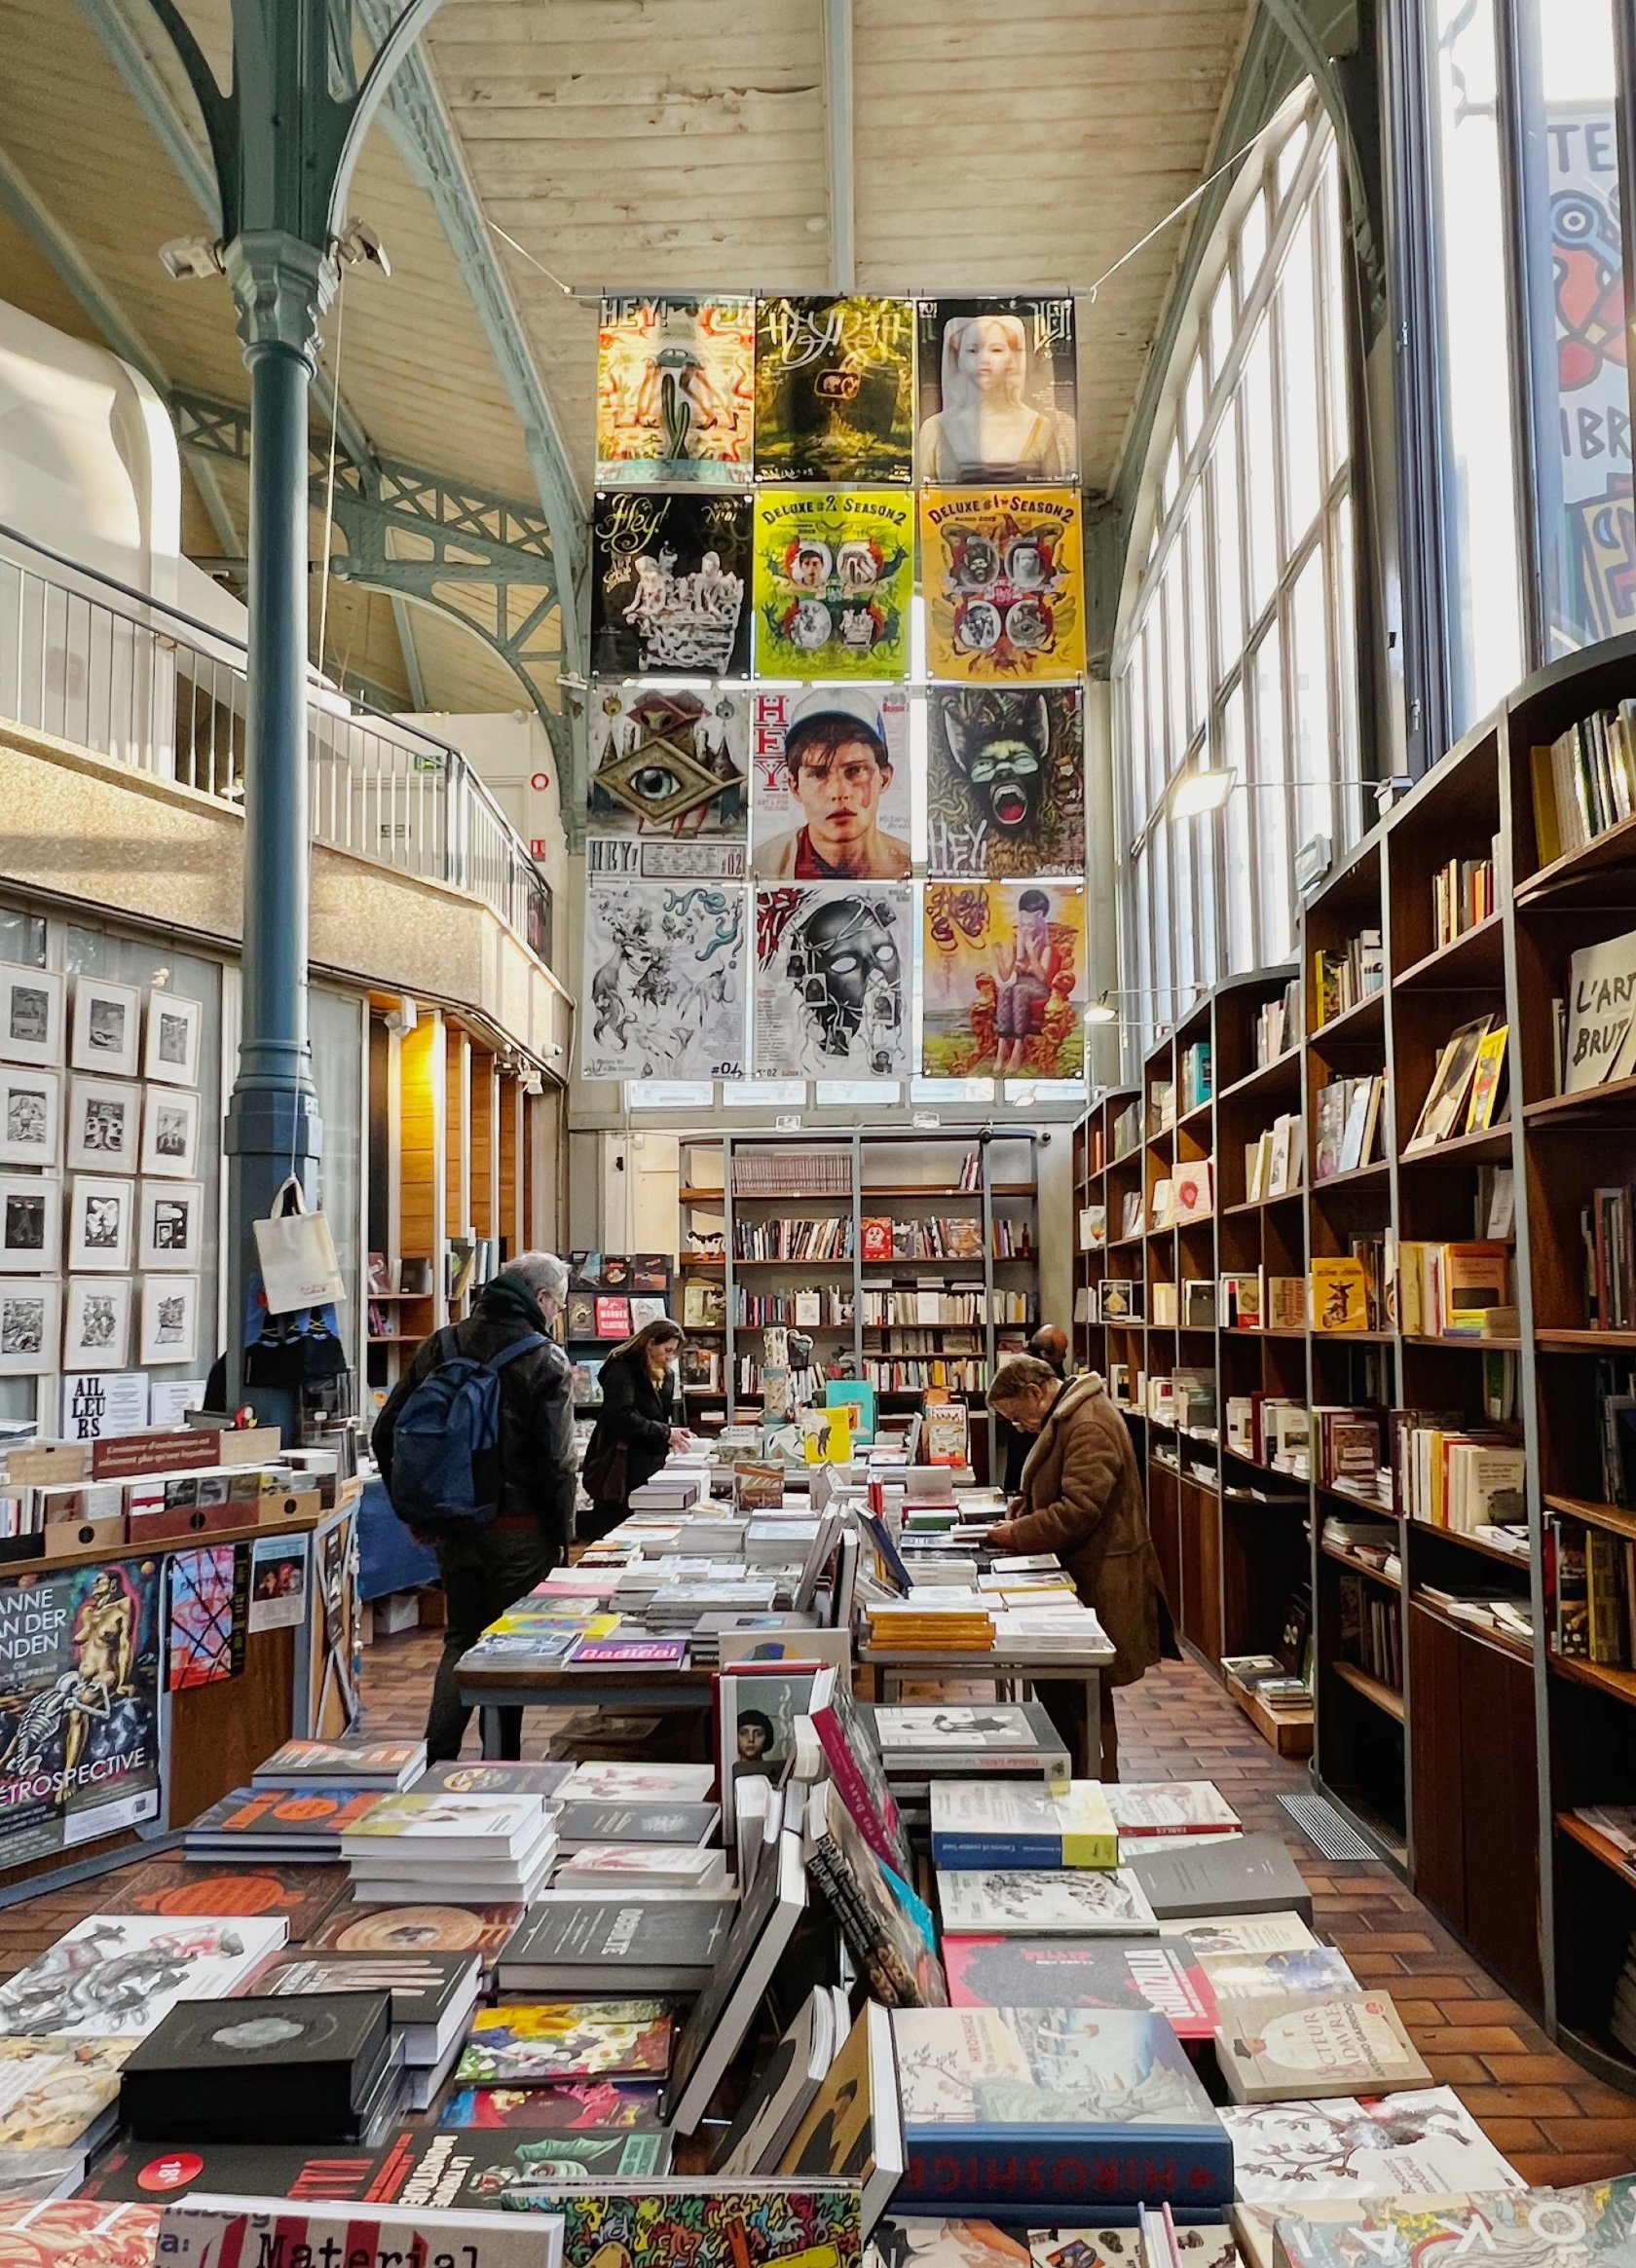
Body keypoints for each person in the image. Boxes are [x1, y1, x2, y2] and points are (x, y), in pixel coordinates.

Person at [372, 1251, 576, 1764]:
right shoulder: (546, 1359)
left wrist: (415, 1511)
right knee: (509, 1649)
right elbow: (557, 1462)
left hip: (455, 1525)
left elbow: (385, 1431)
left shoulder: (443, 1343)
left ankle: (438, 1756)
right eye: (561, 1305)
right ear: (543, 1299)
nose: (558, 1315)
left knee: (461, 1638)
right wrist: (563, 1537)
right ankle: (498, 1767)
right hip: (521, 1529)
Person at [985, 1354, 1168, 1781]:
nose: (1021, 1427)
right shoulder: (1071, 1414)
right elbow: (1062, 1486)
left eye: (1017, 1417)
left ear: (1035, 1393)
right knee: (1070, 1693)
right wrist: (1027, 1506)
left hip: (1101, 1577)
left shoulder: (1087, 1424)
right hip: (1082, 1568)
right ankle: (1075, 1773)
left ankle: (1092, 1782)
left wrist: (1017, 1533)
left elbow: (1081, 1509)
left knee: (1084, 1692)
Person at [756, 688, 912, 881]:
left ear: (884, 779)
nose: (838, 792)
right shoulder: (763, 865)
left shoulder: (911, 867)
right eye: (819, 774)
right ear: (794, 786)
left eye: (855, 771)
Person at [916, 312, 1077, 482]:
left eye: (996, 350)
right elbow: (922, 498)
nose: (984, 359)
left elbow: (1057, 497)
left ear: (1012, 359)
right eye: (972, 350)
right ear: (958, 359)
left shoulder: (1040, 427)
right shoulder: (934, 429)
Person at [580, 1317, 690, 1543]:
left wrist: (673, 1432)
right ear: (650, 1343)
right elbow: (621, 1416)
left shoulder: (665, 1375)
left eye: (674, 1352)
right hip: (621, 1465)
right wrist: (665, 1432)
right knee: (615, 1532)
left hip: (647, 1462)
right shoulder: (623, 1368)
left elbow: (655, 1416)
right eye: (666, 1350)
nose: (670, 1357)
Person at [992, 886, 1060, 1080]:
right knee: (1007, 989)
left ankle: (1018, 1049)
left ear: (1039, 918)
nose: (1024, 928)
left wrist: (1031, 949)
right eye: (1022, 922)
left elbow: (1042, 976)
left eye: (1028, 924)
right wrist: (1002, 957)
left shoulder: (1046, 948)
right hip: (1020, 985)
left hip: (1039, 989)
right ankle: (1002, 1047)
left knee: (1019, 990)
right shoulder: (1018, 942)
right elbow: (1007, 975)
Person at [1001, 1323, 1071, 1492]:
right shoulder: (1035, 1372)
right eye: (1061, 1354)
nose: (1064, 1357)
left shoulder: (1019, 1365)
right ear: (1044, 1354)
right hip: (1033, 1434)